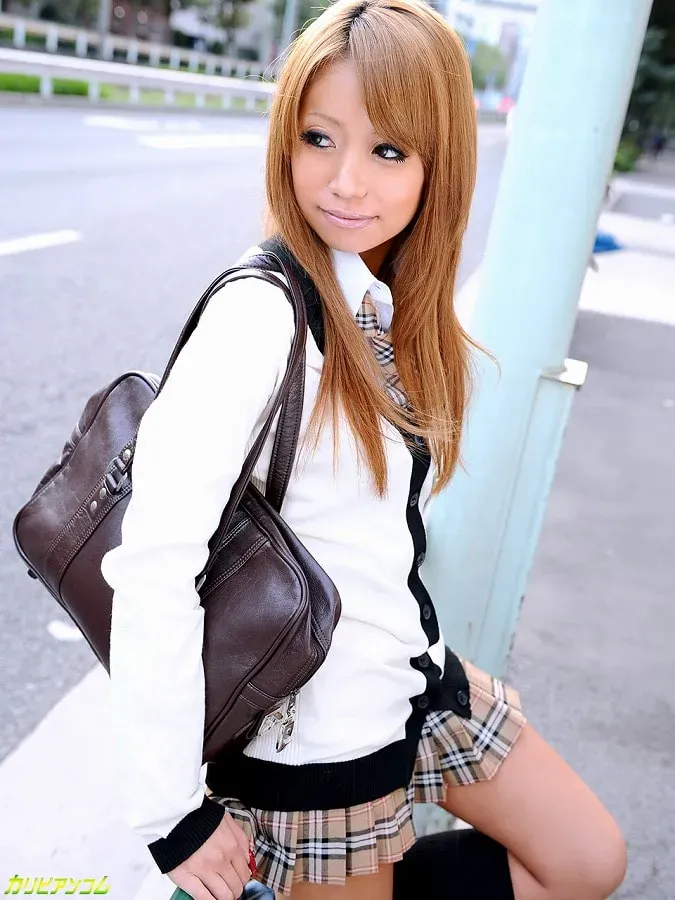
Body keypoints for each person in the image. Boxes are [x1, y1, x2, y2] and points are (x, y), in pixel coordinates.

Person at [101, 1, 627, 898]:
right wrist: (171, 815)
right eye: (318, 138)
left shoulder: (375, 304)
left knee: (585, 859)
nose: (346, 182)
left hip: (408, 680)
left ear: (435, 165)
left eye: (388, 150)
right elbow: (154, 561)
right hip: (315, 739)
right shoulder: (259, 314)